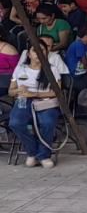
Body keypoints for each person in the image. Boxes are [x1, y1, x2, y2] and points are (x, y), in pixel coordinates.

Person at [7, 37, 68, 168]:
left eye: (42, 50)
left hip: (45, 101)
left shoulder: (51, 69)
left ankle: (44, 155)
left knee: (47, 122)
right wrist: (19, 90)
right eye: (35, 51)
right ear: (29, 54)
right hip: (24, 100)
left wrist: (35, 94)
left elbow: (56, 92)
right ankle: (33, 151)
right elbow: (10, 92)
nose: (39, 53)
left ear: (46, 53)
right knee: (15, 123)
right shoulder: (20, 69)